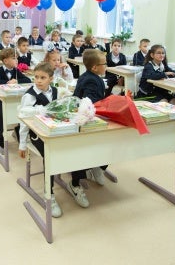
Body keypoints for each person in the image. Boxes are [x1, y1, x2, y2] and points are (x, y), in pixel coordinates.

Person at [17, 62, 63, 217]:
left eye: (43, 77)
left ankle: (73, 180)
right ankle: (48, 193)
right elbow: (23, 120)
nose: (38, 80)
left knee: (66, 148)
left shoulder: (55, 91)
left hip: (52, 130)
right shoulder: (29, 95)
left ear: (51, 78)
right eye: (36, 77)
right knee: (50, 155)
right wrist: (22, 144)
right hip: (37, 135)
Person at [68, 48, 108, 207]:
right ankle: (75, 183)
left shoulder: (90, 76)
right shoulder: (92, 80)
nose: (107, 66)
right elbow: (91, 104)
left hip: (88, 117)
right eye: (104, 64)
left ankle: (97, 167)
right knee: (83, 151)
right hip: (86, 121)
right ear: (95, 67)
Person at [0, 48, 31, 147]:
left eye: (17, 58)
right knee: (4, 113)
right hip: (1, 99)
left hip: (15, 98)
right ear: (5, 61)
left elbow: (27, 79)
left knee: (21, 110)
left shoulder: (16, 71)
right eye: (14, 58)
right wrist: (7, 83)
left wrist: (17, 81)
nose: (16, 60)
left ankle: (18, 128)